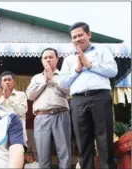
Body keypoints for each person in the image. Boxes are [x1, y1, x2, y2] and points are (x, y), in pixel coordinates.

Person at [58, 22, 118, 169]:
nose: (77, 39)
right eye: (74, 37)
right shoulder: (68, 60)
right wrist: (77, 69)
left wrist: (90, 65)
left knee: (104, 140)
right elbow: (63, 83)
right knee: (83, 142)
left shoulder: (102, 51)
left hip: (100, 98)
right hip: (78, 101)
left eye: (80, 35)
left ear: (89, 35)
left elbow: (113, 71)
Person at [26, 48, 71, 169]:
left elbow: (69, 91)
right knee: (42, 153)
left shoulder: (63, 75)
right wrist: (45, 80)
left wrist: (54, 79)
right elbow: (30, 95)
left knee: (64, 152)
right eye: (45, 58)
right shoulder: (36, 78)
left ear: (57, 59)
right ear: (41, 61)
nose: (48, 60)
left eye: (51, 57)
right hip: (41, 116)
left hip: (61, 114)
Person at [0, 71, 28, 142]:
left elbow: (22, 112)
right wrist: (4, 98)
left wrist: (9, 98)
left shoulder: (21, 95)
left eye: (9, 80)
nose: (7, 82)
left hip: (18, 131)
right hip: (1, 131)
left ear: (14, 82)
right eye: (4, 80)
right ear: (1, 83)